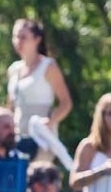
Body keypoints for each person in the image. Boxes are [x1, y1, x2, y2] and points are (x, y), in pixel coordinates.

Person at [5, 18, 73, 147]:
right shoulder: (14, 69)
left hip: (41, 138)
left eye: (23, 37)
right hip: (18, 136)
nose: (18, 41)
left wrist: (51, 122)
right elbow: (11, 105)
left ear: (37, 39)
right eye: (16, 37)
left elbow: (66, 102)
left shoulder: (48, 66)